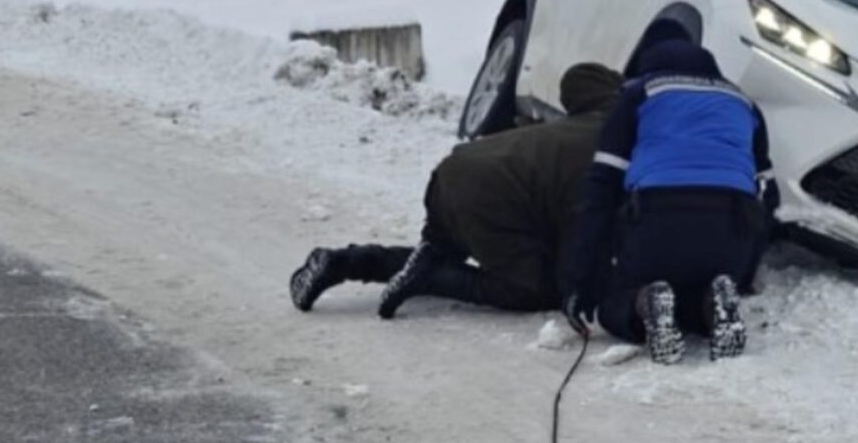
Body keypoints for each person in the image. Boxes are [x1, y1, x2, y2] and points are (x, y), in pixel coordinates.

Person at [288, 63, 623, 318]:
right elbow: (580, 224)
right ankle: (431, 276)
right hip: (491, 196)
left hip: (454, 170)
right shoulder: (613, 147)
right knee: (534, 290)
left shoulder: (572, 127)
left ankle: (340, 262)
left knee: (434, 254)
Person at [562, 40, 776, 364]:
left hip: (659, 221)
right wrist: (744, 270)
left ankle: (646, 301)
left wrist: (581, 279)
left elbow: (601, 187)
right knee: (698, 286)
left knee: (613, 302)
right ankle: (714, 297)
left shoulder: (640, 93)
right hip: (731, 225)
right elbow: (769, 195)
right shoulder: (743, 102)